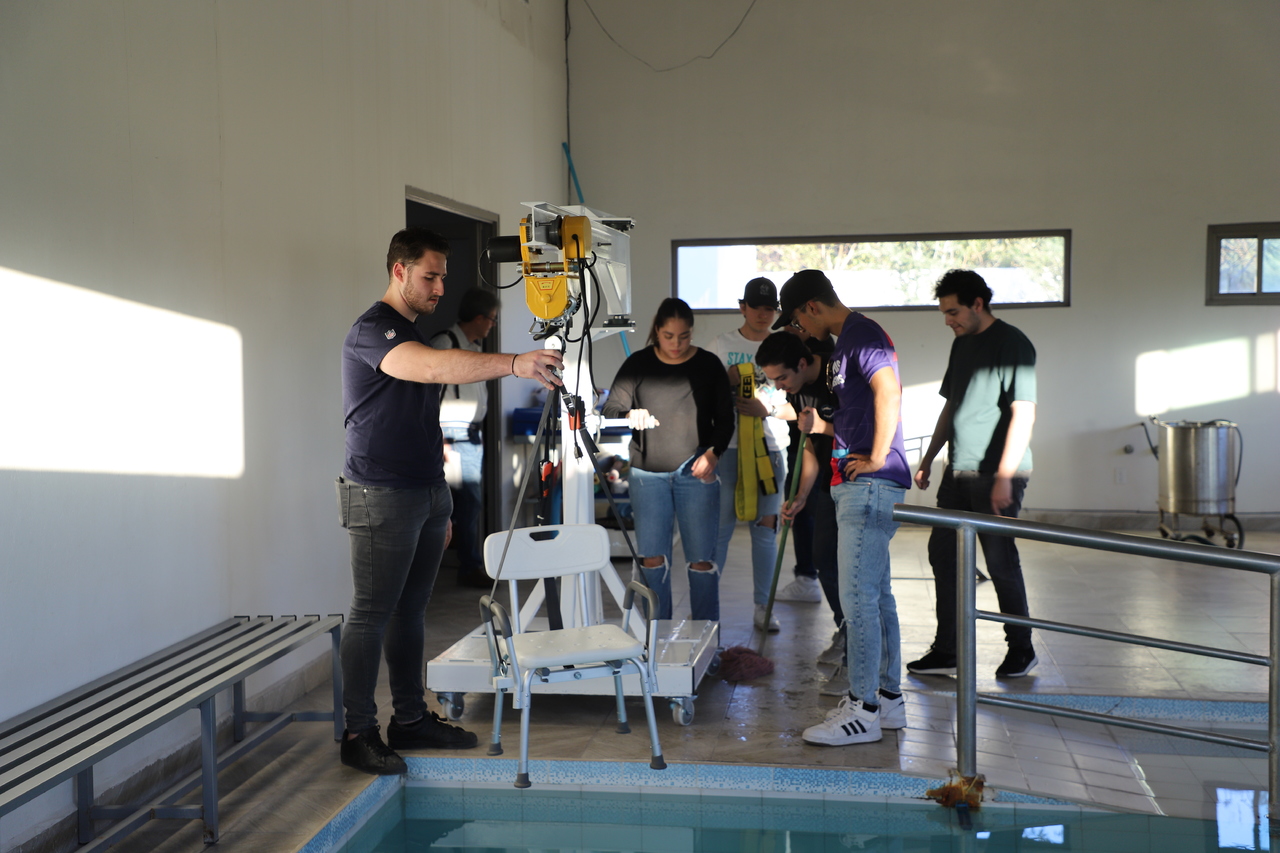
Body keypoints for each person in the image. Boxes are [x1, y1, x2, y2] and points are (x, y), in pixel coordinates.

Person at [338, 227, 562, 775]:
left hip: (425, 489)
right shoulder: (374, 331)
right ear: (399, 271)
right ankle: (358, 730)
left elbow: (421, 411)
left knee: (410, 610)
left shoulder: (411, 329)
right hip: (380, 493)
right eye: (429, 276)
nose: (439, 288)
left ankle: (409, 719)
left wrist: (438, 495)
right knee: (371, 613)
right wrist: (514, 363)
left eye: (443, 277)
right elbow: (434, 368)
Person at [774, 270, 911, 747]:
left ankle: (863, 708)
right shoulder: (846, 342)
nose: (798, 331)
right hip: (856, 481)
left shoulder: (861, 335)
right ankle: (888, 699)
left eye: (795, 319)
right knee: (877, 596)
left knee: (856, 599)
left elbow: (888, 390)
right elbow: (853, 414)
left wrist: (875, 455)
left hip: (869, 483)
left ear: (811, 307)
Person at [907, 269, 1039, 679]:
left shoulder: (1013, 343)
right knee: (942, 556)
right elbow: (952, 407)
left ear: (978, 304)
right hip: (957, 470)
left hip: (997, 473)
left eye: (953, 312)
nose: (948, 320)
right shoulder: (961, 344)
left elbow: (1024, 412)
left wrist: (1003, 476)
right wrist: (929, 457)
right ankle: (947, 650)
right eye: (945, 313)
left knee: (999, 561)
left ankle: (1021, 648)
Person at [602, 298, 734, 621]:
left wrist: (714, 453)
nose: (676, 344)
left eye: (684, 336)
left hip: (696, 472)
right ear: (657, 332)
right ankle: (656, 644)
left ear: (692, 332)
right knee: (652, 559)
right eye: (669, 336)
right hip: (648, 475)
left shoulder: (708, 365)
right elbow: (610, 410)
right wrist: (631, 414)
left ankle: (707, 642)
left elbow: (726, 419)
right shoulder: (638, 365)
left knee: (702, 561)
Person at [755, 332, 846, 688]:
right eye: (773, 379)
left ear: (803, 363)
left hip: (856, 482)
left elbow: (862, 431)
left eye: (782, 377)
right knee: (823, 558)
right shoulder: (799, 389)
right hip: (825, 483)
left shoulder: (838, 380)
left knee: (849, 570)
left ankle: (859, 646)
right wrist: (803, 493)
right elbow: (810, 444)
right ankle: (846, 629)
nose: (779, 387)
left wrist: (819, 425)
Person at [709, 278, 791, 633]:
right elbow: (704, 397)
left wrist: (767, 411)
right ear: (742, 307)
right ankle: (707, 607)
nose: (763, 314)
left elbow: (796, 403)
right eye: (756, 307)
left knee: (765, 529)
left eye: (770, 308)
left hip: (771, 451)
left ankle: (764, 605)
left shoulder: (785, 345)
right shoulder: (720, 345)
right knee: (721, 529)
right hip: (727, 449)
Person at [429, 287, 501, 589]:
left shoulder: (474, 348)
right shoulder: (445, 344)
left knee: (470, 506)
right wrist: (439, 440)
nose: (492, 326)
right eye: (492, 320)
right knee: (445, 506)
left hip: (471, 436)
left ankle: (468, 565)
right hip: (451, 437)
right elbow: (429, 400)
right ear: (479, 318)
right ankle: (461, 567)